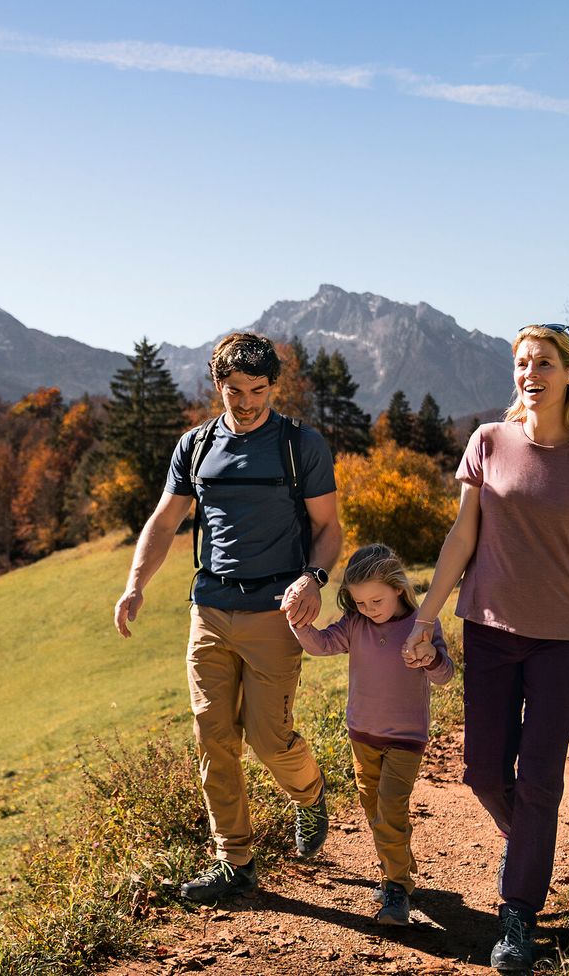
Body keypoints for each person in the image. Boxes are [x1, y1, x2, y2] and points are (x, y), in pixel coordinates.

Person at [402, 322, 569, 973]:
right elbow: (461, 536)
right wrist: (425, 615)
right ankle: (527, 838)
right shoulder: (488, 442)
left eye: (544, 363)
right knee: (483, 772)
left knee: (540, 782)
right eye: (522, 363)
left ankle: (518, 914)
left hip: (558, 640)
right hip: (489, 632)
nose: (530, 373)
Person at [113, 332, 342, 903]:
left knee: (269, 739)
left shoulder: (300, 446)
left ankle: (310, 793)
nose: (245, 402)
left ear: (274, 386)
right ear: (217, 385)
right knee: (213, 734)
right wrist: (135, 586)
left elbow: (328, 528)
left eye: (257, 390)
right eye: (234, 390)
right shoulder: (194, 447)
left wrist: (312, 580)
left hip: (275, 613)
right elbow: (164, 523)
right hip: (209, 610)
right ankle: (233, 861)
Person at [289, 543, 454, 925]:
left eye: (376, 600)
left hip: (406, 737)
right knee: (373, 808)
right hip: (362, 735)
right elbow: (322, 643)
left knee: (390, 807)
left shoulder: (421, 625)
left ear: (398, 588)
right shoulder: (356, 625)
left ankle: (396, 886)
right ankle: (400, 866)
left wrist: (429, 656)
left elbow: (445, 676)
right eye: (360, 602)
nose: (369, 609)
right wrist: (297, 622)